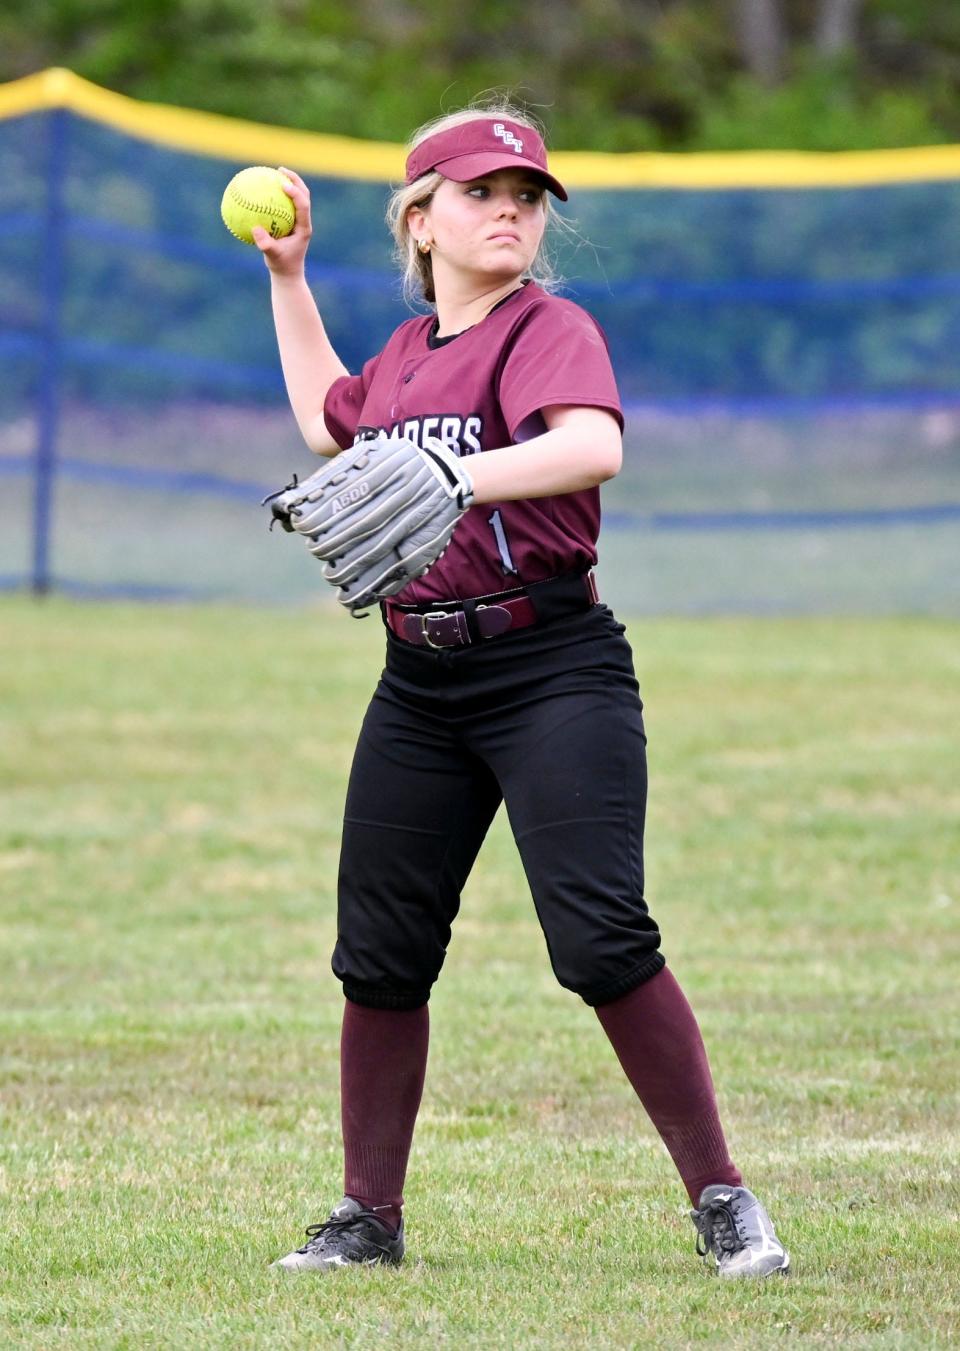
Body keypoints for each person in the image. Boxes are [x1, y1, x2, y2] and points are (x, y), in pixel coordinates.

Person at [253, 102, 790, 1279]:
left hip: (551, 667)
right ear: (421, 220)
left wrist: (454, 470)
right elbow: (326, 417)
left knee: (601, 938)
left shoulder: (548, 326)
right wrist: (289, 278)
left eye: (527, 197)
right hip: (418, 681)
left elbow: (590, 445)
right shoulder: (402, 358)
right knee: (380, 954)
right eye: (482, 192)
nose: (510, 210)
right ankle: (366, 1218)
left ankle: (723, 1197)